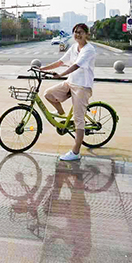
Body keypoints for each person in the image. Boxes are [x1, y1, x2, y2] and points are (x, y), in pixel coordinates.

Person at [40, 23, 96, 161]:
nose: (78, 34)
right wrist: (42, 69)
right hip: (70, 83)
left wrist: (60, 75)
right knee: (49, 94)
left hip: (82, 86)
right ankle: (61, 113)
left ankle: (76, 152)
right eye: (75, 32)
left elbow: (76, 65)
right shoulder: (74, 47)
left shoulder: (89, 50)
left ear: (87, 34)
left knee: (78, 120)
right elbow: (60, 62)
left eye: (81, 32)